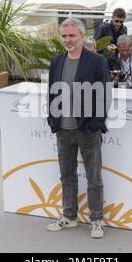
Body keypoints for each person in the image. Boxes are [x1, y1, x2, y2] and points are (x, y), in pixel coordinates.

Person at [47, 17, 111, 239]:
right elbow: (52, 92)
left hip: (87, 130)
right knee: (67, 174)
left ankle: (96, 219)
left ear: (82, 36)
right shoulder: (56, 61)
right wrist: (52, 119)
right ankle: (70, 215)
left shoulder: (96, 62)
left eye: (72, 35)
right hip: (63, 130)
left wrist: (96, 123)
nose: (67, 40)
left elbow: (104, 95)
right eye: (64, 36)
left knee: (94, 176)